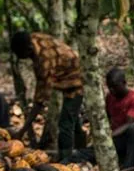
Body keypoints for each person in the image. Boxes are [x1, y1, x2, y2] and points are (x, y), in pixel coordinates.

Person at [11, 31, 84, 160]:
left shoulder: (44, 62)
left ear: (28, 50)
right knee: (74, 121)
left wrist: (22, 131)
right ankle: (82, 153)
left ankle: (66, 161)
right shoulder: (33, 38)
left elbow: (40, 100)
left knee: (65, 124)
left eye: (21, 55)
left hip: (76, 80)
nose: (22, 58)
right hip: (67, 72)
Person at [104, 67, 134, 168]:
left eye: (115, 86)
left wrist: (110, 136)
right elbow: (107, 117)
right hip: (115, 139)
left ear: (124, 83)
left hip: (132, 140)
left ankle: (129, 166)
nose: (111, 90)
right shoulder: (110, 97)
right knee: (88, 152)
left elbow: (128, 124)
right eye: (109, 87)